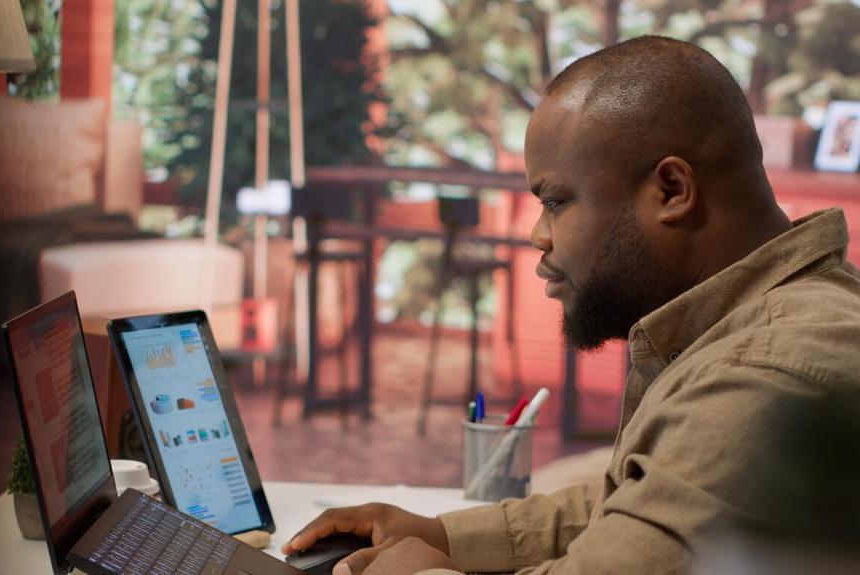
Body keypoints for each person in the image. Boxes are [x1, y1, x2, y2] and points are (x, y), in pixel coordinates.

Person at [281, 35, 860, 575]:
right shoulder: (757, 323)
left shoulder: (766, 371)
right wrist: (441, 536)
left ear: (672, 191)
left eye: (556, 201)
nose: (539, 234)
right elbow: (643, 507)